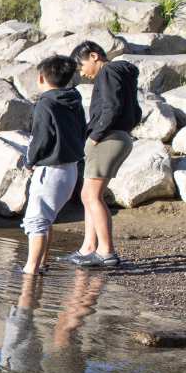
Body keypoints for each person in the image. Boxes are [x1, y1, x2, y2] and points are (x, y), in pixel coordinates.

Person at [65, 40, 139, 268]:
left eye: (81, 66)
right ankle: (88, 248)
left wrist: (96, 135)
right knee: (89, 195)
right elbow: (131, 110)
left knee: (91, 196)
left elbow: (112, 107)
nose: (82, 73)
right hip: (118, 136)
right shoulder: (120, 73)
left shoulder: (109, 71)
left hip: (108, 138)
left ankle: (106, 251)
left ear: (94, 56)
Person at [19, 55, 87, 275]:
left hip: (50, 169)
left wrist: (29, 161)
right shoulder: (74, 99)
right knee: (46, 218)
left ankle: (31, 270)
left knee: (36, 220)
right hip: (71, 169)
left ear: (41, 77)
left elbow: (40, 138)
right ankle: (42, 264)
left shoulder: (45, 103)